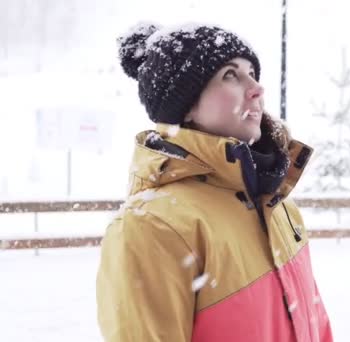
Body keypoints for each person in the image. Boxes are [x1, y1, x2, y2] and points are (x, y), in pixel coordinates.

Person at [96, 22, 334, 342]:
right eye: (230, 75)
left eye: (253, 73)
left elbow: (315, 326)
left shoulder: (279, 204)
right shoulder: (153, 225)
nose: (256, 88)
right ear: (187, 107)